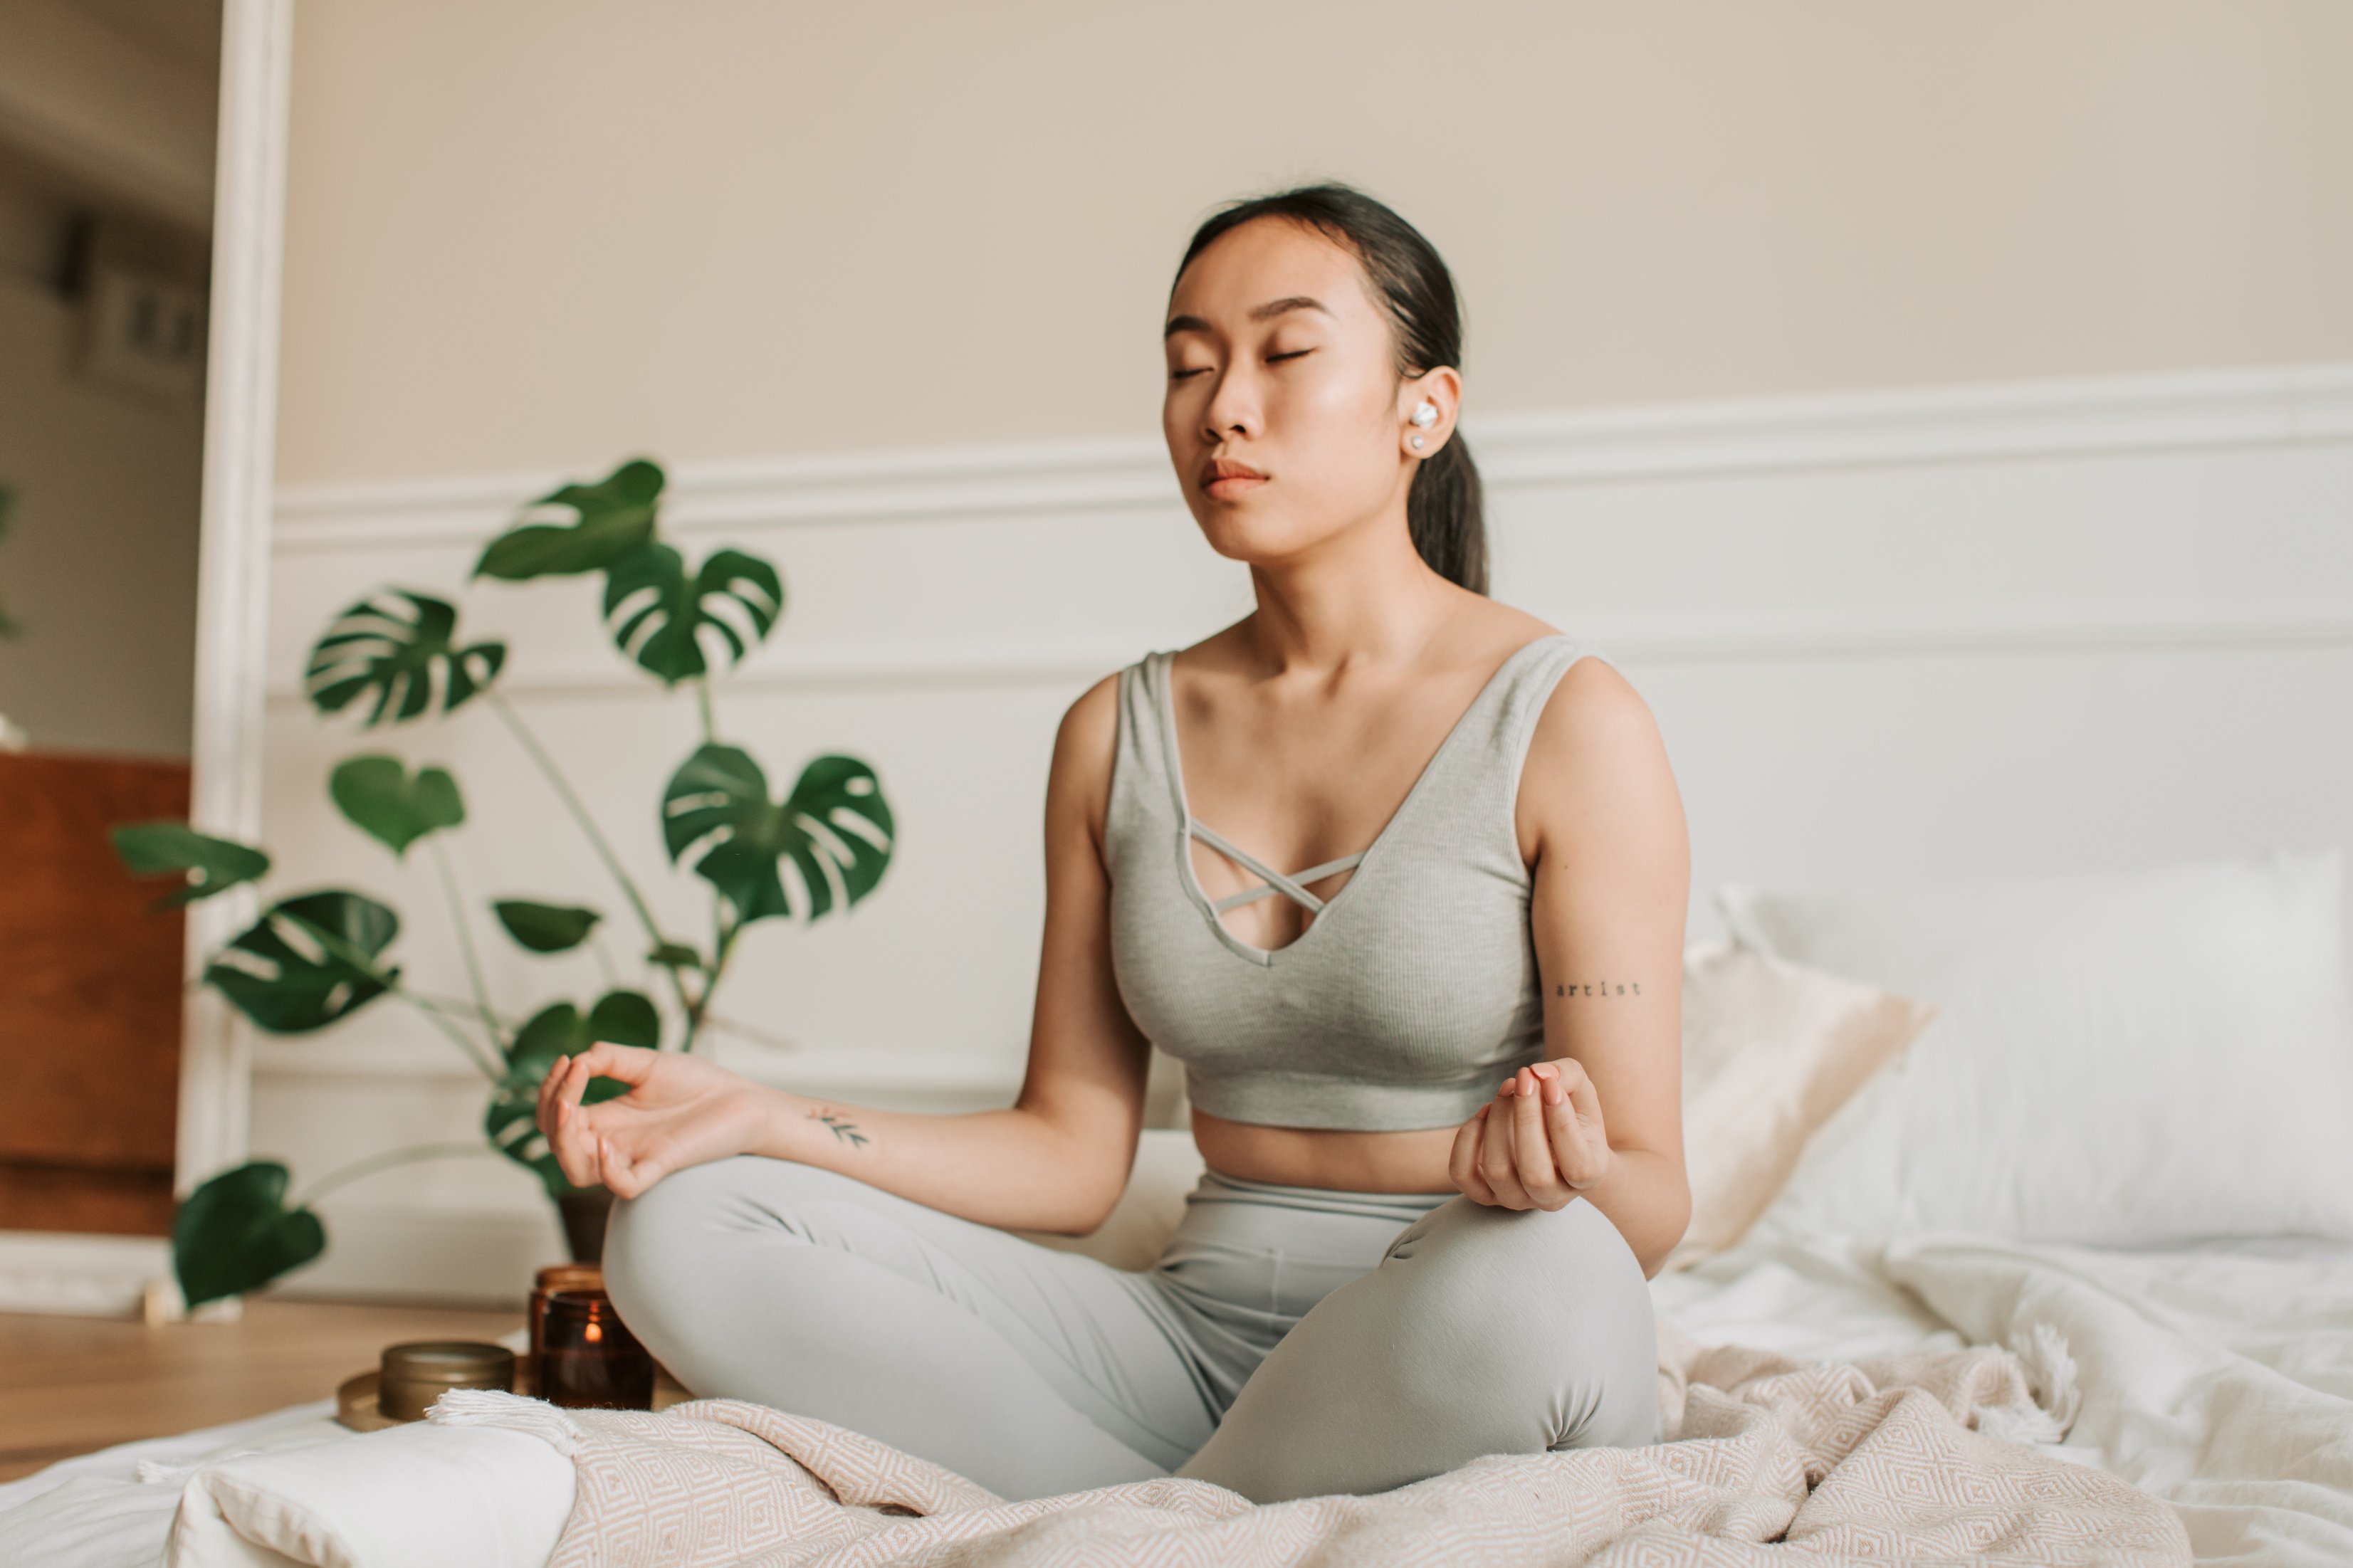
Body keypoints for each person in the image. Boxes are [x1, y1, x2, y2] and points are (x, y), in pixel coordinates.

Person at [533, 183, 1691, 1505]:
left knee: (1552, 1274)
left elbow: (1649, 1194)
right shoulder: (1115, 731)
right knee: (681, 1223)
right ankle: (1191, 1519)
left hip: (1449, 1311)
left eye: (1285, 353)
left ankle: (1128, 1516)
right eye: (1188, 367)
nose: (1222, 408)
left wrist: (1554, 1180)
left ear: (1424, 406)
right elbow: (1070, 1152)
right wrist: (763, 1116)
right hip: (1185, 1345)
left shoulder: (1567, 721)